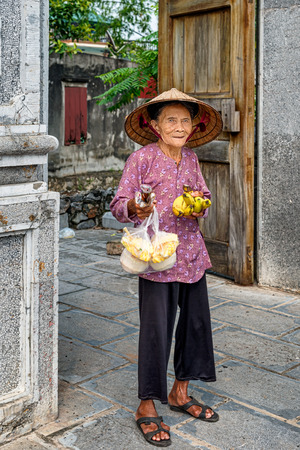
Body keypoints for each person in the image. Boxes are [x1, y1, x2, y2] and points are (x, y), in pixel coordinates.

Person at [110, 88, 222, 447]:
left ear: (193, 126)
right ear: (155, 125)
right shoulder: (140, 159)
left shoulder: (191, 159)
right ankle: (146, 406)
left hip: (191, 255)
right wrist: (137, 208)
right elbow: (118, 204)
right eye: (170, 119)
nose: (179, 126)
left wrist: (198, 205)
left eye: (185, 120)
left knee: (195, 325)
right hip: (157, 258)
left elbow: (202, 197)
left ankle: (180, 392)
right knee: (156, 330)